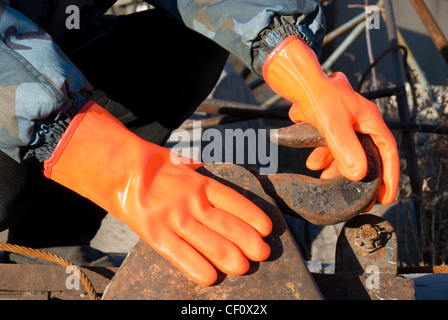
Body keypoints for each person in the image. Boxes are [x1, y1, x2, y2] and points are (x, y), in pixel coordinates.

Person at [0, 0, 399, 287]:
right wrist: (122, 169)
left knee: (190, 42)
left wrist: (295, 63)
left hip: (56, 70)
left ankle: (53, 239)